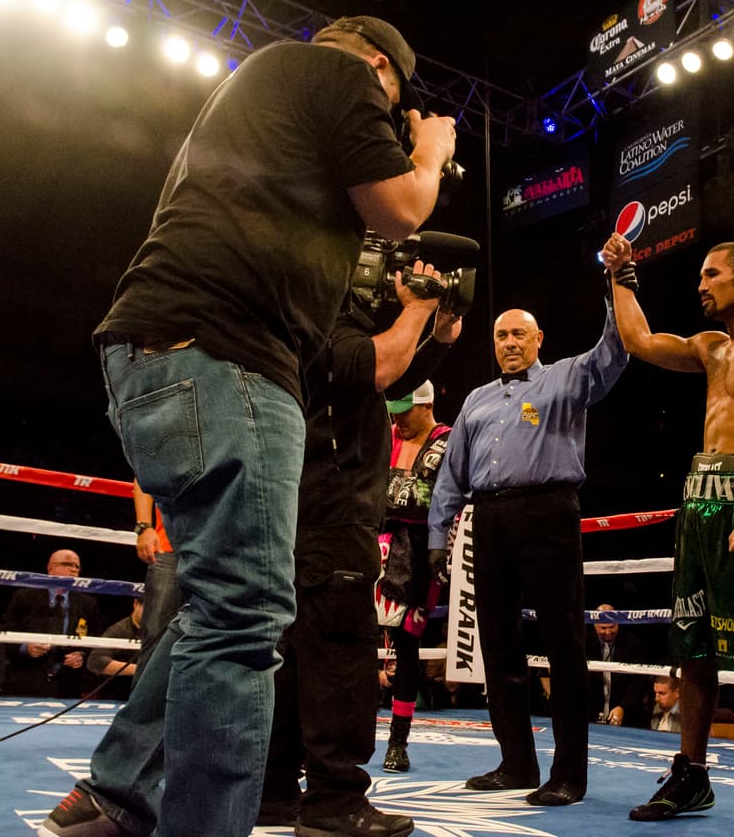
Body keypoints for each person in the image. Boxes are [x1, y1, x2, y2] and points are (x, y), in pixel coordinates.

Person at [38, 13, 457, 837]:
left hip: (160, 356)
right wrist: (429, 148)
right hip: (223, 356)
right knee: (244, 617)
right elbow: (403, 206)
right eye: (395, 107)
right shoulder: (334, 75)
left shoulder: (255, 105)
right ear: (380, 68)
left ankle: (119, 796)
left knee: (216, 607)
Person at [603, 232, 734, 837]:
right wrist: (620, 276)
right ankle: (691, 775)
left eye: (711, 274)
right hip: (700, 505)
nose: (700, 285)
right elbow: (638, 340)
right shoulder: (711, 349)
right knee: (693, 653)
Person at [258, 278, 460, 835]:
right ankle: (334, 802)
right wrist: (418, 306)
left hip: (304, 514)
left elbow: (389, 376)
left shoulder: (294, 323)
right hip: (333, 513)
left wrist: (437, 338)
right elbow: (378, 369)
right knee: (340, 659)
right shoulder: (327, 325)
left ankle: (275, 790)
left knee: (296, 658)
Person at [426, 273, 628, 807]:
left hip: (548, 511)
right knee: (497, 644)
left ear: (538, 340)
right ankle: (516, 762)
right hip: (488, 519)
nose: (510, 343)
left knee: (564, 646)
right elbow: (452, 473)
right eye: (501, 336)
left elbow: (614, 354)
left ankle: (569, 774)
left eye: (519, 334)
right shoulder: (476, 400)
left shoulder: (564, 379)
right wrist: (436, 534)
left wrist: (614, 292)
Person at [380, 380, 453, 772]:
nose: (397, 419)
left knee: (407, 645)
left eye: (404, 411)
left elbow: (427, 499)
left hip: (423, 554)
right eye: (393, 411)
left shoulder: (448, 441)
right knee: (351, 642)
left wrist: (392, 497)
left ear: (425, 406)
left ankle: (398, 741)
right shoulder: (384, 433)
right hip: (375, 547)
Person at [3, 549, 101, 699]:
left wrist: (82, 654)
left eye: (77, 566)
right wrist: (25, 648)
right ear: (50, 568)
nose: (73, 569)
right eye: (67, 564)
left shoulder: (87, 603)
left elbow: (96, 638)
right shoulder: (25, 597)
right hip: (25, 679)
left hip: (68, 685)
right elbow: (4, 634)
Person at [131, 480, 180, 677]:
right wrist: (144, 526)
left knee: (211, 636)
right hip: (169, 548)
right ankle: (144, 707)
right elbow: (143, 473)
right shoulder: (175, 448)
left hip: (220, 552)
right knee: (155, 636)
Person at [587, 603, 647, 728]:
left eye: (612, 627)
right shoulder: (585, 643)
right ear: (594, 625)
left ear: (618, 623)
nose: (608, 632)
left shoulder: (632, 643)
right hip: (591, 713)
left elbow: (639, 681)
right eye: (603, 628)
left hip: (628, 715)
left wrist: (623, 707)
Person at [87, 599, 143, 701]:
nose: (152, 613)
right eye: (148, 607)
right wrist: (141, 669)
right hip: (120, 694)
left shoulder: (161, 629)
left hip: (152, 695)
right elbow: (95, 661)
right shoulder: (119, 630)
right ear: (136, 604)